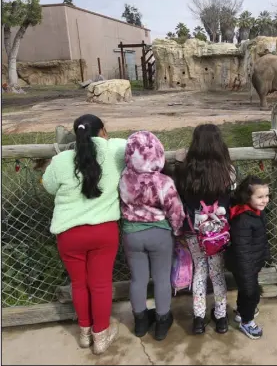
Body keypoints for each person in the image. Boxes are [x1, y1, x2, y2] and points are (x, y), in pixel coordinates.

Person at [41, 114, 125, 355]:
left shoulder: (61, 160)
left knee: (79, 284)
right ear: (103, 131)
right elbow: (142, 146)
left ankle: (85, 334)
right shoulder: (115, 150)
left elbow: (48, 186)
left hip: (69, 233)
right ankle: (101, 336)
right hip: (103, 231)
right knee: (100, 285)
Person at [119, 131, 185, 341]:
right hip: (160, 234)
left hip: (132, 235)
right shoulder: (164, 181)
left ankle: (139, 323)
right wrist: (178, 231)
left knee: (138, 280)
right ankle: (162, 322)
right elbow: (176, 211)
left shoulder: (124, 178)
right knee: (161, 279)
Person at [173, 124, 236, 335]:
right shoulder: (228, 172)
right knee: (217, 273)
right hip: (218, 232)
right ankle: (221, 318)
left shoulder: (184, 171)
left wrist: (182, 159)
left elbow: (181, 196)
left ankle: (199, 319)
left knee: (199, 271)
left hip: (194, 231)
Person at [225, 175, 270, 340]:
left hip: (252, 262)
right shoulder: (243, 220)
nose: (265, 200)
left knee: (247, 290)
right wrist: (247, 270)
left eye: (266, 196)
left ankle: (241, 311)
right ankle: (247, 321)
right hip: (244, 264)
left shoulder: (256, 212)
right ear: (247, 197)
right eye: (260, 197)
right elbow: (241, 249)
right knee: (252, 293)